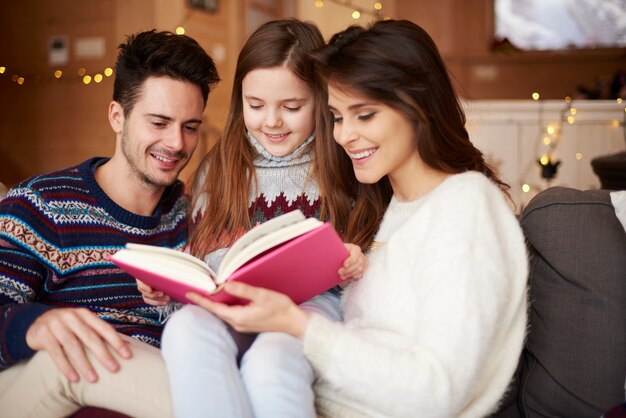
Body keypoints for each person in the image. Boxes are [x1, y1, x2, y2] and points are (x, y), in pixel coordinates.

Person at [188, 19, 529, 418]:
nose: (344, 135)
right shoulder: (393, 205)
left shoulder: (465, 206)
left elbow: (435, 392)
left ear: (418, 108)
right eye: (336, 116)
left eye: (364, 115)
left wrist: (298, 326)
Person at [137, 18, 367, 418]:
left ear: (320, 98)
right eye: (255, 106)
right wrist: (169, 290)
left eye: (292, 107)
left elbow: (367, 244)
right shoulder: (221, 165)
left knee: (270, 363)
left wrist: (355, 258)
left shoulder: (345, 162)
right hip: (232, 307)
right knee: (184, 330)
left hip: (310, 307)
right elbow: (204, 252)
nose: (271, 121)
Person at [0, 29, 219, 418]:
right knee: (77, 352)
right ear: (118, 117)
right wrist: (35, 324)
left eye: (190, 127)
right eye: (159, 122)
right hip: (39, 388)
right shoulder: (41, 205)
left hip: (144, 391)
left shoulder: (194, 220)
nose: (176, 143)